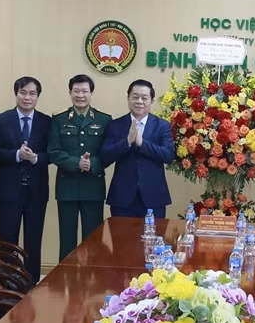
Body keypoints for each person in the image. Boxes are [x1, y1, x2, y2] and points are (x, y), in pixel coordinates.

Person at [0, 76, 51, 284]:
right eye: (23, 92)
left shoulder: (46, 122)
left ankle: (31, 283)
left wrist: (35, 158)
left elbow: (52, 154)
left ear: (37, 97)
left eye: (32, 93)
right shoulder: (1, 120)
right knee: (7, 240)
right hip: (9, 190)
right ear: (16, 94)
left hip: (37, 190)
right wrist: (17, 155)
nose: (27, 97)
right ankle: (6, 283)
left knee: (33, 241)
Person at [48, 74, 112, 261]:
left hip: (93, 188)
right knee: (67, 240)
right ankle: (65, 283)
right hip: (67, 188)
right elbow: (53, 151)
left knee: (93, 240)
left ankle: (91, 285)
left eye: (85, 91)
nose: (80, 95)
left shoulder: (104, 120)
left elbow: (108, 153)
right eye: (76, 91)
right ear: (70, 93)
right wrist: (77, 163)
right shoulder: (59, 119)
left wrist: (92, 164)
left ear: (91, 93)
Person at [101, 79, 175, 219]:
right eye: (135, 97)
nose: (139, 101)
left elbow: (168, 155)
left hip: (154, 197)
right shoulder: (115, 125)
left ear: (152, 101)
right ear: (128, 98)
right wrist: (127, 142)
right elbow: (105, 156)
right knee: (121, 240)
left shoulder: (162, 126)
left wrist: (142, 143)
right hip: (122, 198)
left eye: (144, 98)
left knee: (152, 239)